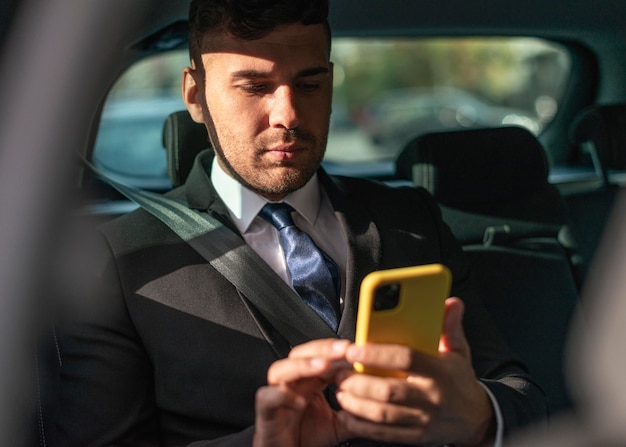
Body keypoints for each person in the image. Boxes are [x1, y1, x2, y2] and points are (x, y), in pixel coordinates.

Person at [51, 0, 548, 446]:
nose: (287, 113)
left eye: (309, 84)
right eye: (255, 86)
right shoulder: (119, 261)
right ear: (195, 95)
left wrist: (480, 416)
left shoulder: (410, 219)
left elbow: (517, 392)